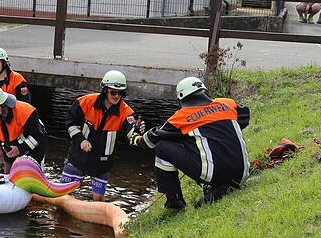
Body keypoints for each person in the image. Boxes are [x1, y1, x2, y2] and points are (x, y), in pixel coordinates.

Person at [129, 77, 250, 209]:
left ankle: (174, 201)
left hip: (213, 172)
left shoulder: (182, 116)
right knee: (196, 142)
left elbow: (152, 139)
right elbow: (244, 118)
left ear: (181, 98)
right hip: (242, 172)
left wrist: (136, 138)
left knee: (162, 147)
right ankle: (217, 186)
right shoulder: (228, 104)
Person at [60, 70, 145, 202]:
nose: (117, 96)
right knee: (62, 194)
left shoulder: (126, 112)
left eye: (121, 93)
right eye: (113, 92)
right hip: (78, 157)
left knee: (98, 198)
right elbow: (71, 123)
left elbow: (130, 131)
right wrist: (80, 140)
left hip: (102, 163)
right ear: (105, 90)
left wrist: (139, 132)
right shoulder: (85, 102)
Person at [0, 86, 47, 174]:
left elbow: (37, 136)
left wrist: (20, 149)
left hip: (33, 150)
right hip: (10, 149)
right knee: (8, 175)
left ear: (3, 103)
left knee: (31, 176)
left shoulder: (25, 111)